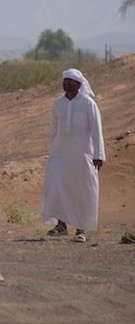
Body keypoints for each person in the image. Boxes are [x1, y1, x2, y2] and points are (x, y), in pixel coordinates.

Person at [40, 68, 106, 242]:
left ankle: (80, 229)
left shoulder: (88, 103)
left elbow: (96, 130)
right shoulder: (57, 104)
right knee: (57, 187)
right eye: (64, 80)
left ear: (78, 84)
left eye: (70, 81)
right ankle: (61, 226)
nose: (66, 83)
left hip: (82, 155)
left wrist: (98, 154)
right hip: (59, 154)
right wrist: (51, 151)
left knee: (81, 190)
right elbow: (54, 130)